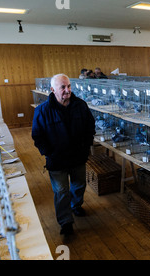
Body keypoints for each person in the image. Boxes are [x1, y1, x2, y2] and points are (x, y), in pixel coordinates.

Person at [32, 73, 96, 236]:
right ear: (53, 90)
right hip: (57, 159)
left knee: (79, 184)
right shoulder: (42, 110)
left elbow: (90, 126)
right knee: (61, 191)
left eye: (69, 86)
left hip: (78, 157)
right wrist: (48, 152)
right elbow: (37, 135)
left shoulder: (80, 105)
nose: (67, 90)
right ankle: (65, 221)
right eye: (63, 87)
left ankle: (76, 205)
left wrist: (86, 146)